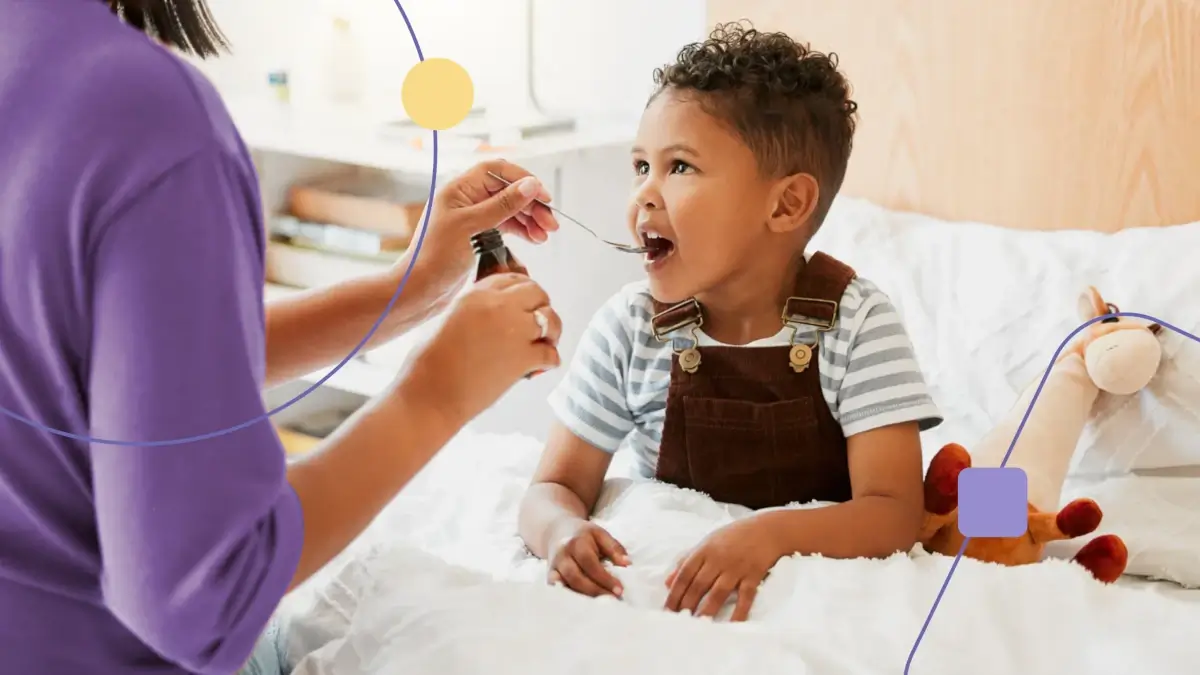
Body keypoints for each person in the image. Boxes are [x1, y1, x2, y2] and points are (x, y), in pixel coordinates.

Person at [0, 1, 564, 673]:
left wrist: (408, 290)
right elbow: (203, 594)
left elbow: (103, 356)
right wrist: (437, 391)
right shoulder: (144, 117)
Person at [517, 22, 943, 622]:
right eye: (640, 165)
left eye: (680, 168)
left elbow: (895, 514)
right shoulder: (629, 327)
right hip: (664, 604)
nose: (644, 194)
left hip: (810, 612)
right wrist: (559, 531)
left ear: (786, 204)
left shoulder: (857, 323)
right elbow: (550, 488)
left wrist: (769, 536)